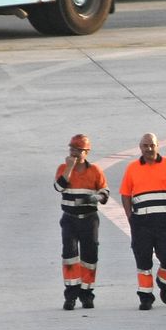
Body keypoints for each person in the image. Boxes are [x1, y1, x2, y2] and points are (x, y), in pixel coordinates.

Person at [117, 133, 166, 310]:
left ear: (158, 146)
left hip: (164, 220)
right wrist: (130, 217)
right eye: (145, 146)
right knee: (143, 259)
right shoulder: (132, 168)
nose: (149, 149)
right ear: (140, 147)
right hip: (141, 221)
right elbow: (125, 194)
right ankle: (145, 296)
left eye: (152, 145)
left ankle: (164, 281)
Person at [54, 133, 109, 310]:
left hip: (89, 220)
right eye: (72, 149)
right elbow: (59, 187)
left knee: (90, 257)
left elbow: (105, 192)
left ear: (86, 152)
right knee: (69, 256)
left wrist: (97, 197)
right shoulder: (63, 168)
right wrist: (69, 168)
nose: (74, 153)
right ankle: (70, 295)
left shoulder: (95, 171)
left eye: (78, 150)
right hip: (69, 219)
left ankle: (87, 294)